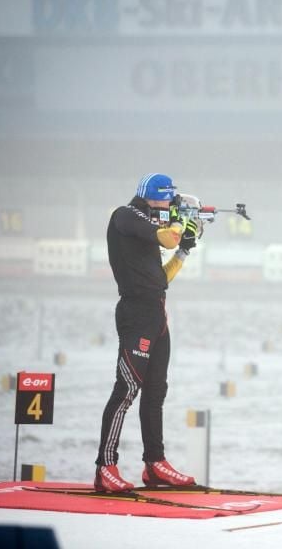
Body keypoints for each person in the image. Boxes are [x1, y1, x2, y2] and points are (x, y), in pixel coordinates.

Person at [94, 173, 201, 492]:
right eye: (170, 200)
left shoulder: (151, 230)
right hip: (136, 312)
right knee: (126, 389)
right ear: (157, 198)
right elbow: (168, 237)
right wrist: (180, 225)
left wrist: (185, 249)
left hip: (157, 311)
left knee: (156, 392)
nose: (172, 205)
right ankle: (105, 467)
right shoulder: (126, 216)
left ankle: (155, 464)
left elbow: (162, 278)